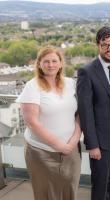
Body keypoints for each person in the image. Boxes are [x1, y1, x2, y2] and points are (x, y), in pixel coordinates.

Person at [17, 46, 81, 200]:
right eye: (46, 61)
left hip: (71, 151)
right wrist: (59, 145)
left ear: (60, 63)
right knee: (47, 194)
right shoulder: (32, 86)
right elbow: (32, 122)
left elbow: (79, 114)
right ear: (39, 64)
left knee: (69, 190)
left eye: (54, 61)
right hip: (42, 152)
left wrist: (73, 141)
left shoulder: (71, 84)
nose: (51, 65)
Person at [76, 26, 110, 200]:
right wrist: (92, 145)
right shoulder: (87, 72)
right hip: (101, 143)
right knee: (100, 188)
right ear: (98, 45)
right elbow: (85, 111)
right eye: (105, 45)